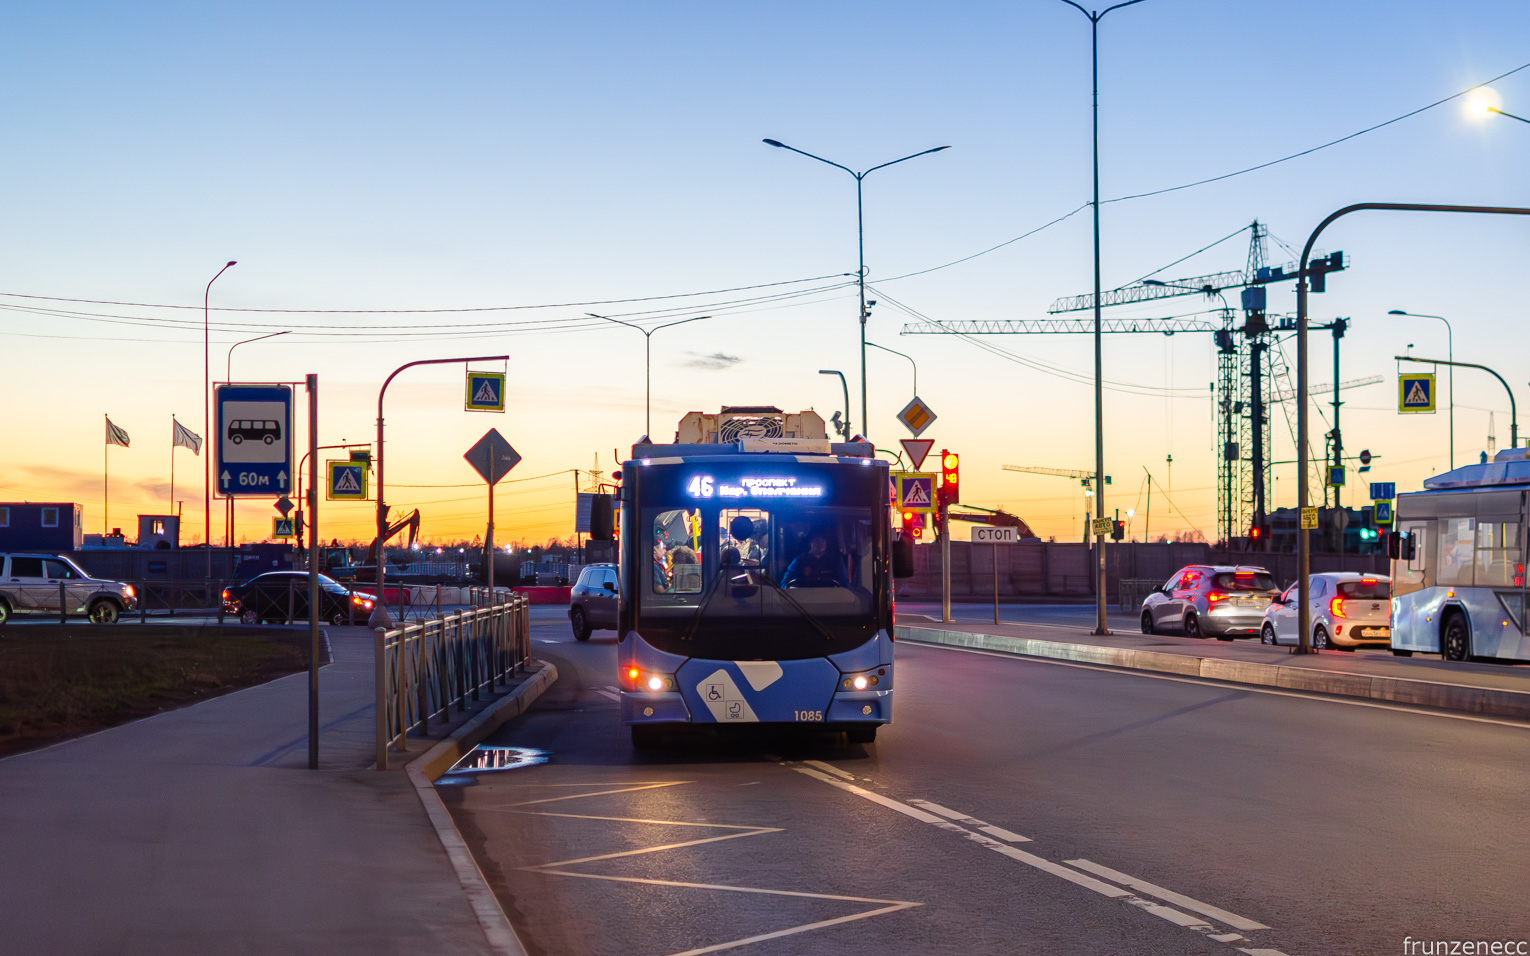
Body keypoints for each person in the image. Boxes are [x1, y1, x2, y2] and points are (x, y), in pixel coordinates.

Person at [781, 533, 849, 588]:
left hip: (831, 599)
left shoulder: (836, 560)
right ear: (810, 543)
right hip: (804, 600)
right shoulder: (799, 560)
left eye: (823, 540)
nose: (820, 543)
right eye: (817, 540)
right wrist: (800, 576)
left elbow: (845, 584)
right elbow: (785, 584)